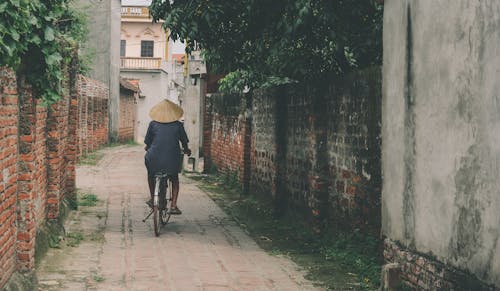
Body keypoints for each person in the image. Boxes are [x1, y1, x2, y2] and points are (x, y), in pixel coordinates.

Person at [144, 99, 191, 215]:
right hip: (172, 158)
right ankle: (174, 206)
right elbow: (184, 143)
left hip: (154, 158)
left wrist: (149, 148)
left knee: (151, 175)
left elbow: (147, 144)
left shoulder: (152, 124)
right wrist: (186, 150)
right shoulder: (178, 125)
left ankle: (152, 198)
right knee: (174, 178)